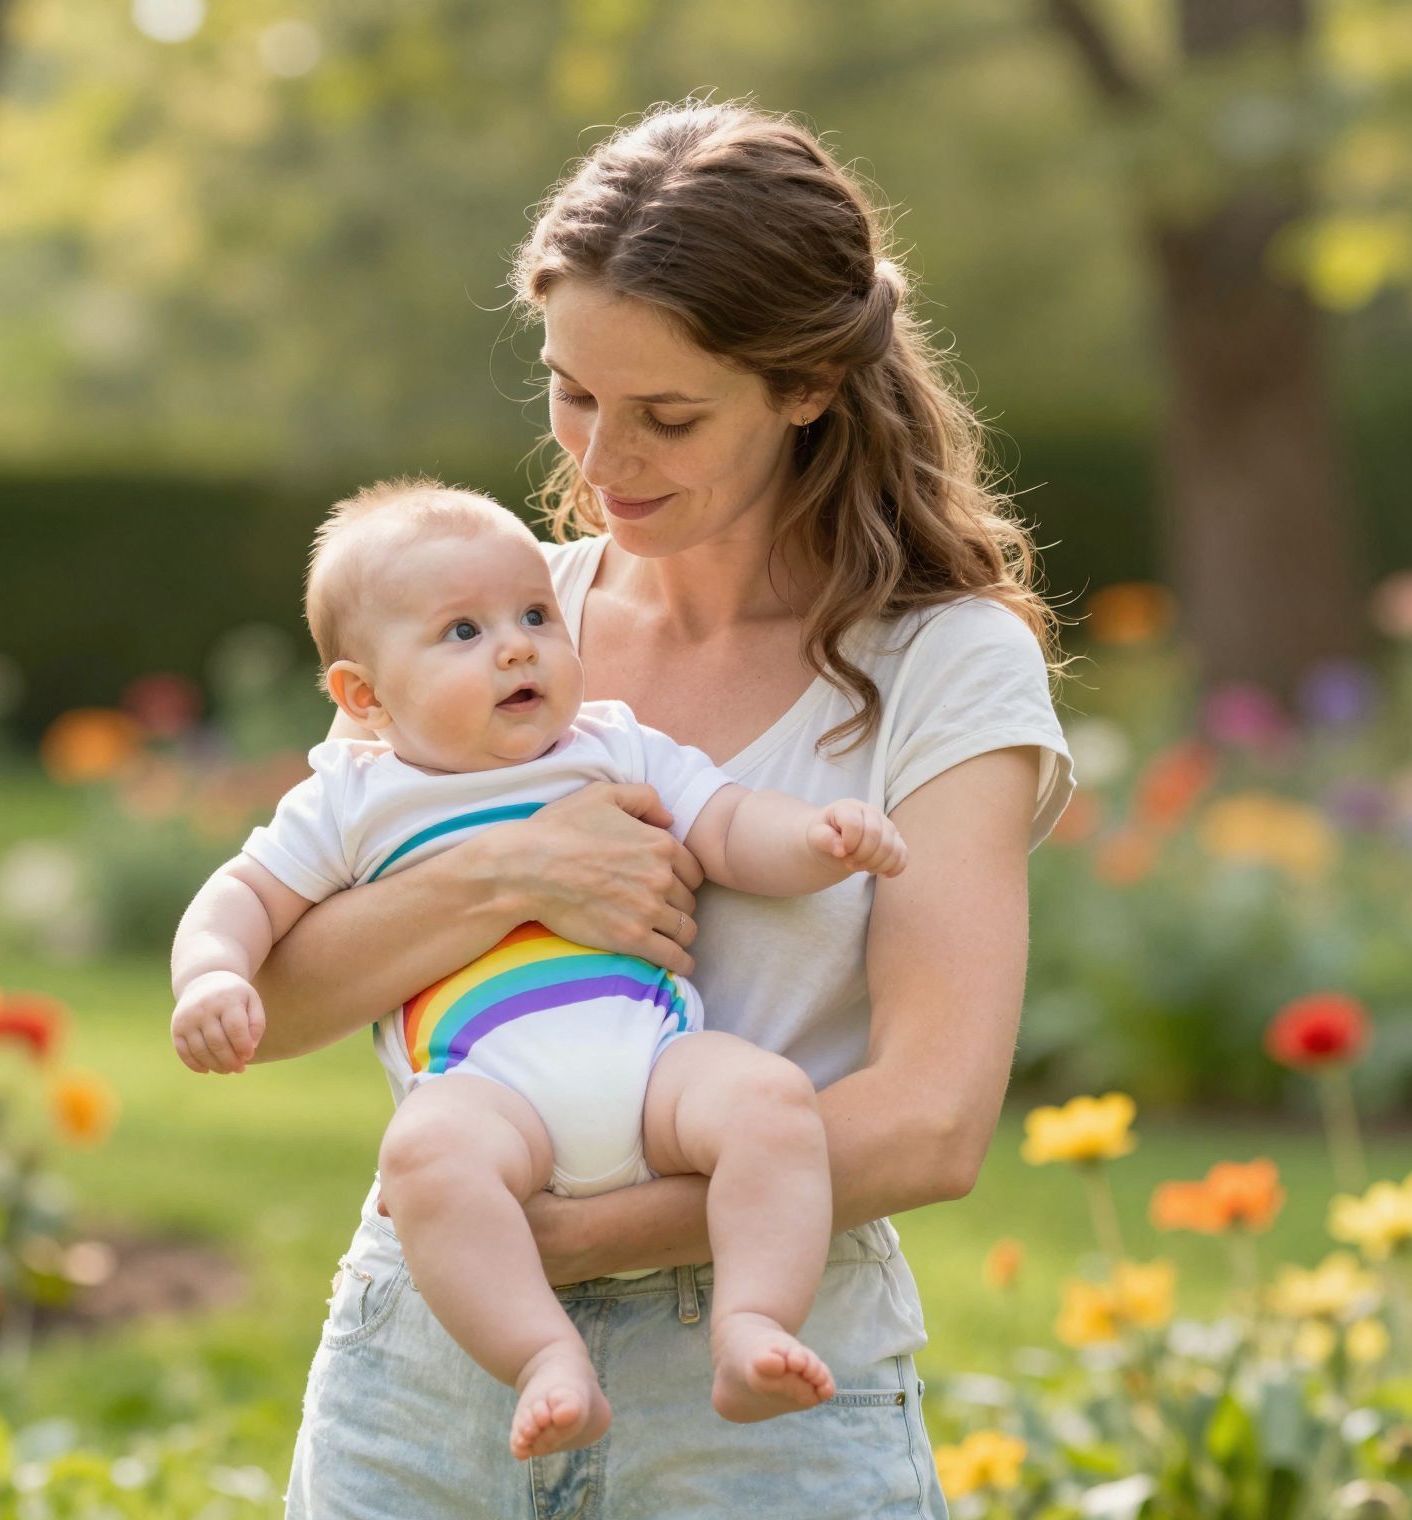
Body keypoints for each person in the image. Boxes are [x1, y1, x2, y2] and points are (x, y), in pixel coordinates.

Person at [246, 99, 1074, 1520]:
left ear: (808, 384)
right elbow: (282, 994)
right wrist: (515, 867)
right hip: (432, 1383)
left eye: (668, 415)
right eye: (572, 392)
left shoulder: (940, 664)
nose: (599, 458)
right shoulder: (487, 623)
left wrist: (561, 1243)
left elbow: (932, 1122)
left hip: (761, 1401)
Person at [170, 478, 911, 1460]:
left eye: (532, 615)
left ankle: (750, 1325)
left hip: (653, 1068)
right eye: (461, 632)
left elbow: (728, 824)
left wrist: (815, 837)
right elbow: (241, 897)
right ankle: (541, 1358)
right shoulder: (353, 797)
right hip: (490, 1093)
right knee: (423, 1158)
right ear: (363, 695)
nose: (515, 646)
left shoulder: (610, 743)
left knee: (771, 1105)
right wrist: (212, 977)